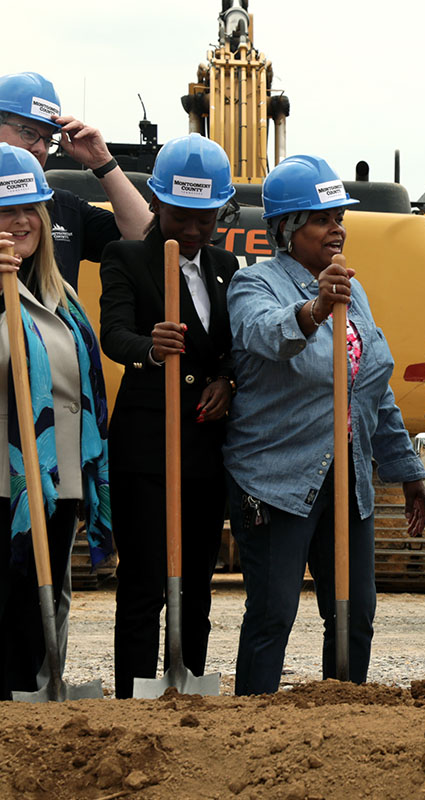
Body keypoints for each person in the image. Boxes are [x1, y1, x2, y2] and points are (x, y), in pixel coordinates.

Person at [224, 155, 425, 695]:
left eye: (339, 218)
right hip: (278, 479)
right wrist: (315, 308)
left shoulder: (352, 291)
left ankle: (342, 718)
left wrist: (407, 470)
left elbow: (372, 385)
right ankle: (254, 725)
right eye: (322, 220)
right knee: (274, 612)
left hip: (348, 477)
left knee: (354, 610)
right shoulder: (254, 284)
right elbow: (267, 335)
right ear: (287, 229)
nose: (337, 230)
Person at [99, 134, 238, 698]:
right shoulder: (126, 257)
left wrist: (227, 381)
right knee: (145, 582)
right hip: (147, 451)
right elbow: (115, 334)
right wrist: (150, 348)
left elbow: (234, 347)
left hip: (204, 451)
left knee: (197, 584)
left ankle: (187, 686)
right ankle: (134, 693)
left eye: (206, 219)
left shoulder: (226, 266)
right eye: (183, 216)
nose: (195, 231)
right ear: (156, 203)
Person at [0, 144, 111, 700]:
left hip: (62, 473)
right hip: (9, 479)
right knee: (12, 599)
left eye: (30, 210)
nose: (21, 221)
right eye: (6, 211)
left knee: (45, 596)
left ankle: (39, 699)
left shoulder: (60, 293)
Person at [0, 72, 151, 289]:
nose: (40, 149)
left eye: (47, 139)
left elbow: (146, 240)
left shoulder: (63, 208)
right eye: (28, 132)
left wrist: (103, 163)